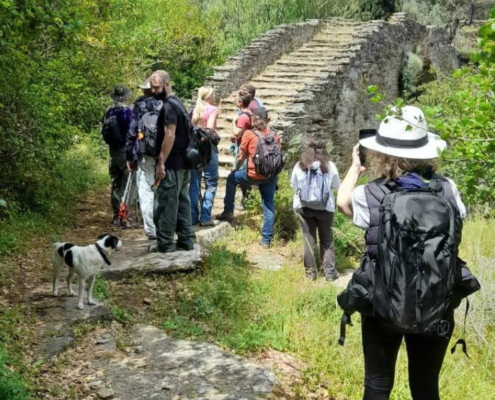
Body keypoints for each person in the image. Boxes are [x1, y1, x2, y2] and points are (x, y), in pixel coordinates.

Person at [336, 105, 467, 400]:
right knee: (425, 388)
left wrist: (355, 168)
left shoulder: (369, 195)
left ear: (382, 154)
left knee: (377, 387)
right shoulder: (448, 190)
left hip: (382, 305)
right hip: (437, 306)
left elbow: (342, 202)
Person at [218, 107, 281, 247]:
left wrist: (235, 168)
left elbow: (241, 156)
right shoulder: (275, 135)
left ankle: (228, 211)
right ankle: (266, 240)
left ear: (254, 119)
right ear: (266, 120)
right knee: (268, 205)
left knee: (231, 179)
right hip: (270, 176)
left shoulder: (249, 134)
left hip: (253, 174)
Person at [149, 70, 195, 253]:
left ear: (167, 84)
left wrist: (161, 163)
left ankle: (165, 244)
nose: (153, 91)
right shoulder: (179, 104)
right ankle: (186, 240)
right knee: (183, 202)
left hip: (173, 164)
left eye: (156, 87)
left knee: (166, 204)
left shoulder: (169, 106)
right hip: (184, 164)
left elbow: (170, 135)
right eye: (152, 88)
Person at [290, 140, 340, 281]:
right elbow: (336, 186)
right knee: (327, 239)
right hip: (325, 207)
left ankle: (311, 273)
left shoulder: (300, 166)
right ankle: (329, 273)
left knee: (308, 238)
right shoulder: (330, 167)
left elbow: (294, 185)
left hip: (303, 207)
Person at [126, 78, 161, 240]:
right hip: (163, 154)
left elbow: (132, 132)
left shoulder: (139, 106)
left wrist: (129, 156)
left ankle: (151, 229)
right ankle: (164, 226)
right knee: (162, 190)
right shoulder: (164, 104)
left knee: (146, 191)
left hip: (144, 154)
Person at [101, 85, 133, 226]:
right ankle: (123, 216)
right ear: (126, 96)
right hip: (125, 151)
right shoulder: (127, 112)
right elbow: (132, 132)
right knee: (127, 185)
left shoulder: (108, 112)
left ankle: (115, 215)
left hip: (113, 152)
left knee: (115, 184)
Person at [189, 86, 219, 227]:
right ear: (208, 97)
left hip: (195, 150)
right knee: (211, 183)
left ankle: (193, 216)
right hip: (209, 150)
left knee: (194, 183)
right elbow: (210, 129)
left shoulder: (195, 109)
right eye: (213, 95)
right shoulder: (212, 110)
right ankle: (206, 216)